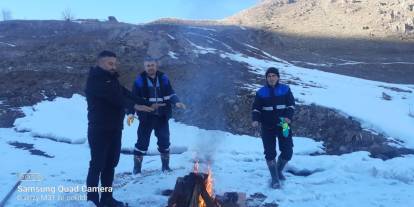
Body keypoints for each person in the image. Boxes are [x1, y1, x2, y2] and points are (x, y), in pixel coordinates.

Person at [85, 51, 155, 207]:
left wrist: (146, 102)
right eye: (110, 63)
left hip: (115, 128)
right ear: (99, 63)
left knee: (110, 164)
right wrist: (135, 106)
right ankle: (92, 201)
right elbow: (117, 99)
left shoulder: (112, 79)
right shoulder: (95, 80)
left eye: (114, 63)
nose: (113, 66)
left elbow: (126, 93)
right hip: (99, 129)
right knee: (97, 165)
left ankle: (107, 198)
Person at [127, 57, 186, 174]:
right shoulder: (140, 80)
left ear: (156, 66)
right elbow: (133, 98)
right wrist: (130, 113)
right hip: (146, 117)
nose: (150, 67)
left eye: (152, 65)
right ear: (145, 67)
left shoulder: (163, 78)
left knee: (164, 141)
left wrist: (177, 101)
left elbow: (170, 93)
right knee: (142, 143)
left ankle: (165, 167)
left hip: (162, 116)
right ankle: (137, 169)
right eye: (148, 65)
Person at [251, 67, 295, 189]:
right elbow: (256, 108)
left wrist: (288, 117)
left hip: (284, 125)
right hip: (267, 126)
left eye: (273, 76)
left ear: (278, 77)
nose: (271, 78)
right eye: (269, 76)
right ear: (266, 78)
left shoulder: (285, 89)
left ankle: (278, 170)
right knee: (270, 153)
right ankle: (275, 178)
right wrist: (255, 119)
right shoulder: (261, 92)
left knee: (287, 152)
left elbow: (291, 105)